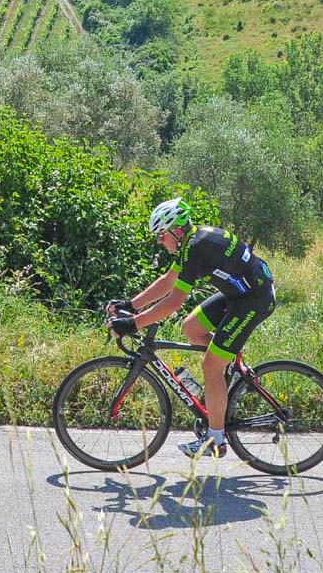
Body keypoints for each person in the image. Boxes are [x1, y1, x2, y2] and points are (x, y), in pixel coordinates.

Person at [106, 197, 275, 459]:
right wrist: (131, 304)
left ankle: (215, 440)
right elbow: (168, 281)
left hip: (254, 300)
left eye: (162, 236)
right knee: (191, 328)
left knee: (211, 365)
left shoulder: (196, 248)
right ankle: (229, 368)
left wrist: (132, 323)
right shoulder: (191, 243)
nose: (160, 242)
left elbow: (173, 302)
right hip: (239, 295)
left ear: (176, 230)